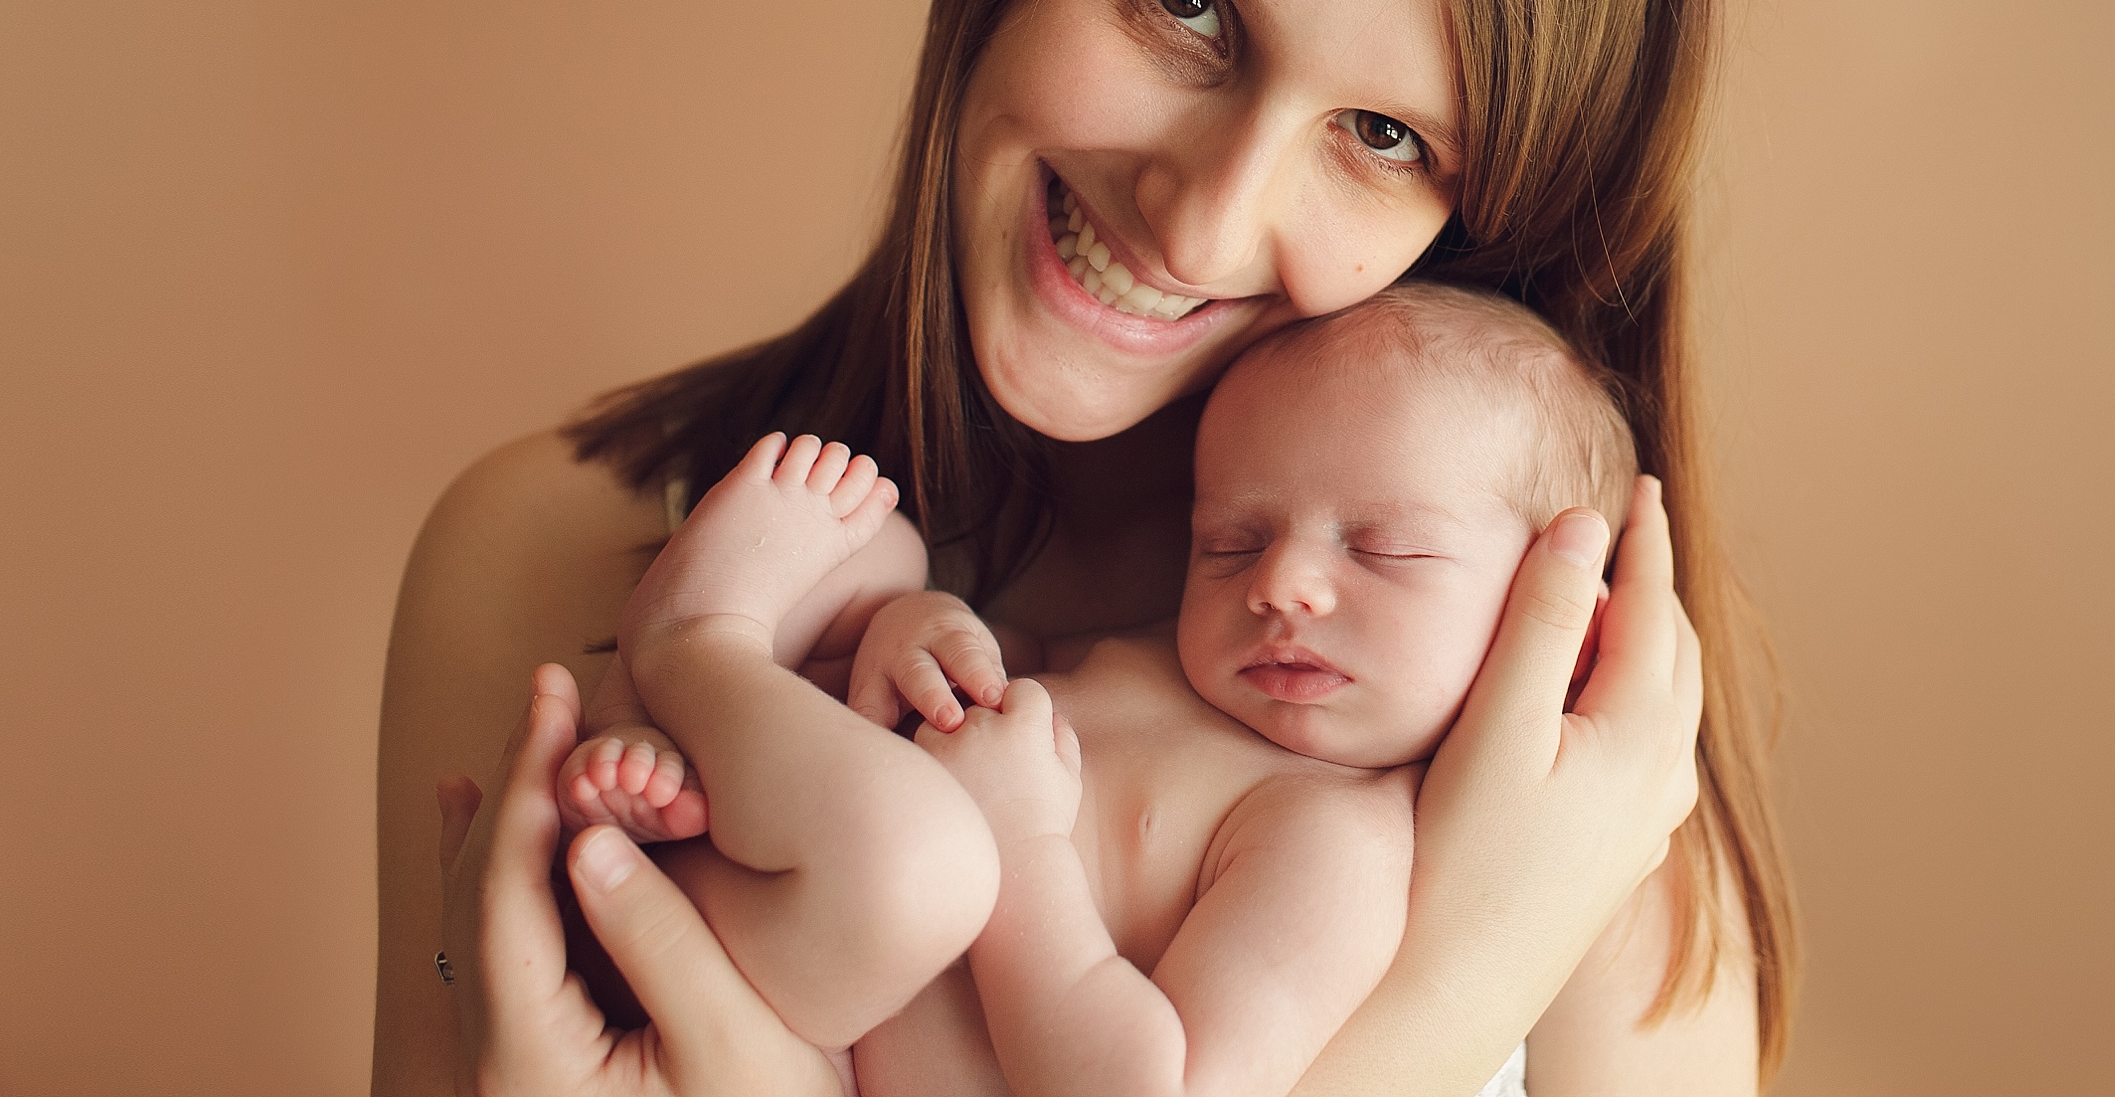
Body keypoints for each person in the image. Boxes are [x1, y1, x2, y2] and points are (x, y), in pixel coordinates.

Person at [376, 0, 1796, 1097]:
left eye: (1385, 136)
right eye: (1182, 3)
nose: (1205, 213)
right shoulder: (552, 559)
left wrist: (1469, 970)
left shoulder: (1572, 777)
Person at [555, 283, 1667, 1097]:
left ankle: (689, 648)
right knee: (878, 558)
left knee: (921, 854)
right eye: (1231, 541)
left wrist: (1025, 847)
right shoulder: (1151, 663)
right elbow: (989, 661)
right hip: (767, 892)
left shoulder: (1334, 839)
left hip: (804, 1018)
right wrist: (922, 632)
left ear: (1554, 631)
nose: (1281, 584)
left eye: (1379, 552)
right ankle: (695, 726)